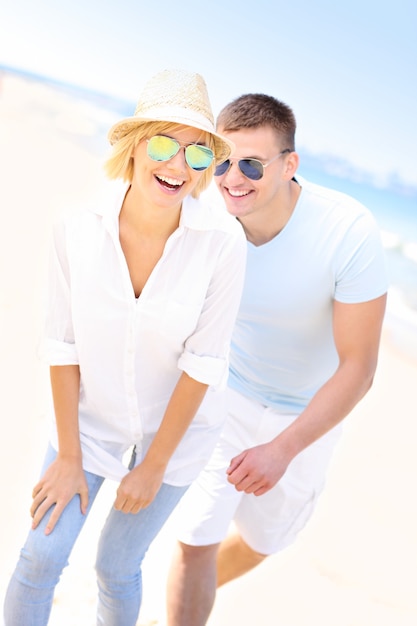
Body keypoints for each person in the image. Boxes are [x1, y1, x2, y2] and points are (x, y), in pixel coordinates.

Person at [3, 69, 247, 626]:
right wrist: (68, 456)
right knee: (41, 556)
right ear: (136, 148)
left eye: (198, 154)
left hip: (178, 437)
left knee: (117, 567)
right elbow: (62, 346)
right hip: (88, 424)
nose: (178, 166)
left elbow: (203, 363)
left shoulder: (223, 246)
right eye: (164, 144)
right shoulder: (76, 230)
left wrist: (154, 466)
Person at [166, 93, 388, 625]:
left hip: (307, 416)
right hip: (228, 394)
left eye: (251, 164)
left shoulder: (347, 230)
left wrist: (283, 448)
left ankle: (193, 594)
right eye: (222, 161)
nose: (232, 177)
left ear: (289, 165)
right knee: (195, 538)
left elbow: (359, 368)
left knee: (264, 541)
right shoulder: (207, 221)